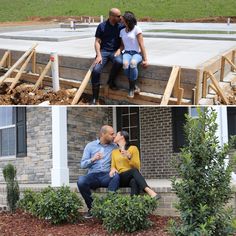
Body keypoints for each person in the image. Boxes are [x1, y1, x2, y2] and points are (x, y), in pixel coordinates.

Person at [77, 125, 120, 218]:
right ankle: (92, 208)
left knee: (116, 176)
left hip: (106, 175)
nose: (114, 136)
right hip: (93, 176)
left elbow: (120, 160)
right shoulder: (90, 146)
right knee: (81, 181)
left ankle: (109, 207)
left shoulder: (114, 147)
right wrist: (93, 159)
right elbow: (83, 165)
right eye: (111, 134)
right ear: (103, 134)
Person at [110, 130, 161, 199]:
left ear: (122, 137)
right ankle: (149, 190)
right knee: (133, 171)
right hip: (121, 177)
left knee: (134, 181)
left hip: (132, 176)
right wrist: (112, 169)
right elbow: (113, 166)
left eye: (116, 135)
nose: (114, 136)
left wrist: (129, 157)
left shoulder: (133, 149)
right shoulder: (114, 152)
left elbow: (137, 167)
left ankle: (133, 203)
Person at [91, 8, 124, 105]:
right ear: (111, 16)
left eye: (120, 16)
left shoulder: (121, 26)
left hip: (115, 51)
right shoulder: (102, 26)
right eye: (118, 16)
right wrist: (98, 55)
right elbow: (97, 42)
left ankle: (111, 82)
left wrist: (119, 50)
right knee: (96, 70)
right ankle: (95, 98)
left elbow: (123, 44)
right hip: (103, 52)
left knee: (119, 62)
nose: (120, 17)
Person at [119, 11, 148, 98]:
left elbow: (141, 44)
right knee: (125, 64)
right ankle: (134, 86)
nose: (121, 20)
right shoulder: (122, 31)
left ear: (127, 21)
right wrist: (118, 51)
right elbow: (122, 45)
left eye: (123, 19)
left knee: (133, 63)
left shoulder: (137, 29)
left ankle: (131, 89)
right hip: (126, 53)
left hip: (136, 53)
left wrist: (145, 59)